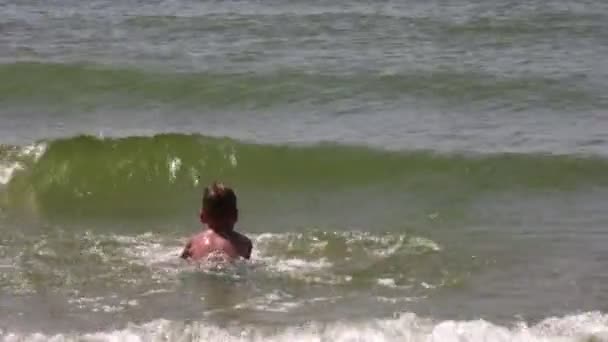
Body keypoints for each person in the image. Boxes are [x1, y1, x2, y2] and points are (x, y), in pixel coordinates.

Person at [180, 182, 252, 262]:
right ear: (236, 215)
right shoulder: (245, 243)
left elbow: (181, 262)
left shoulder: (193, 242)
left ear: (202, 216)